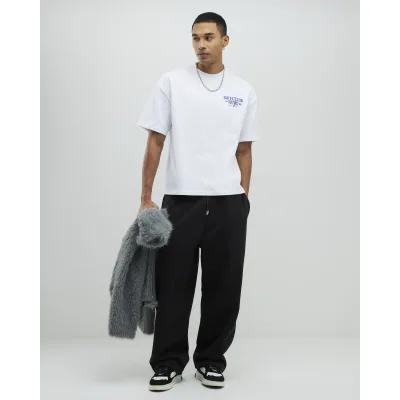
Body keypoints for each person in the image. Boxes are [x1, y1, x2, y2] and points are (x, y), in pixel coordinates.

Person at [136, 12, 259, 391]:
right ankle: (168, 363)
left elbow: (244, 150)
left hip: (228, 204)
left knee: (224, 287)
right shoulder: (171, 83)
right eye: (195, 38)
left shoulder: (243, 90)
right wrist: (146, 197)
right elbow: (155, 140)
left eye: (208, 37)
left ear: (225, 40)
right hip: (181, 202)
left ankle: (211, 361)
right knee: (173, 285)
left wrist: (243, 199)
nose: (201, 45)